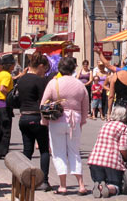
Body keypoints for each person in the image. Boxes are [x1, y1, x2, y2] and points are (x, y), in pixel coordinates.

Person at [41, 57, 89, 195]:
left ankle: (63, 185)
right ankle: (81, 185)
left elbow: (43, 104)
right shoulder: (80, 84)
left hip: (57, 120)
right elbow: (85, 106)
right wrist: (82, 121)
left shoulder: (53, 83)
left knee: (58, 152)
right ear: (74, 68)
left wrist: (44, 121)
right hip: (75, 119)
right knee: (74, 152)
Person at [17, 52, 52, 191]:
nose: (45, 72)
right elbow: (45, 100)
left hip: (23, 117)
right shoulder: (40, 81)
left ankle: (23, 179)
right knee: (44, 150)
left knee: (27, 150)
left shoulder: (21, 79)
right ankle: (44, 181)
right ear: (41, 66)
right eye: (45, 69)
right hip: (37, 117)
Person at [88, 106, 127, 198]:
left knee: (99, 179)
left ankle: (99, 185)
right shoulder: (123, 127)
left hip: (95, 160)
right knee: (116, 185)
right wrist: (125, 158)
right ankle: (108, 188)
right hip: (111, 161)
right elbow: (123, 147)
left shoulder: (105, 124)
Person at [0, 54, 15, 159]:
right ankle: (2, 151)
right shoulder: (7, 75)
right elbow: (2, 88)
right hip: (4, 104)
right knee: (5, 128)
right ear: (10, 66)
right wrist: (10, 96)